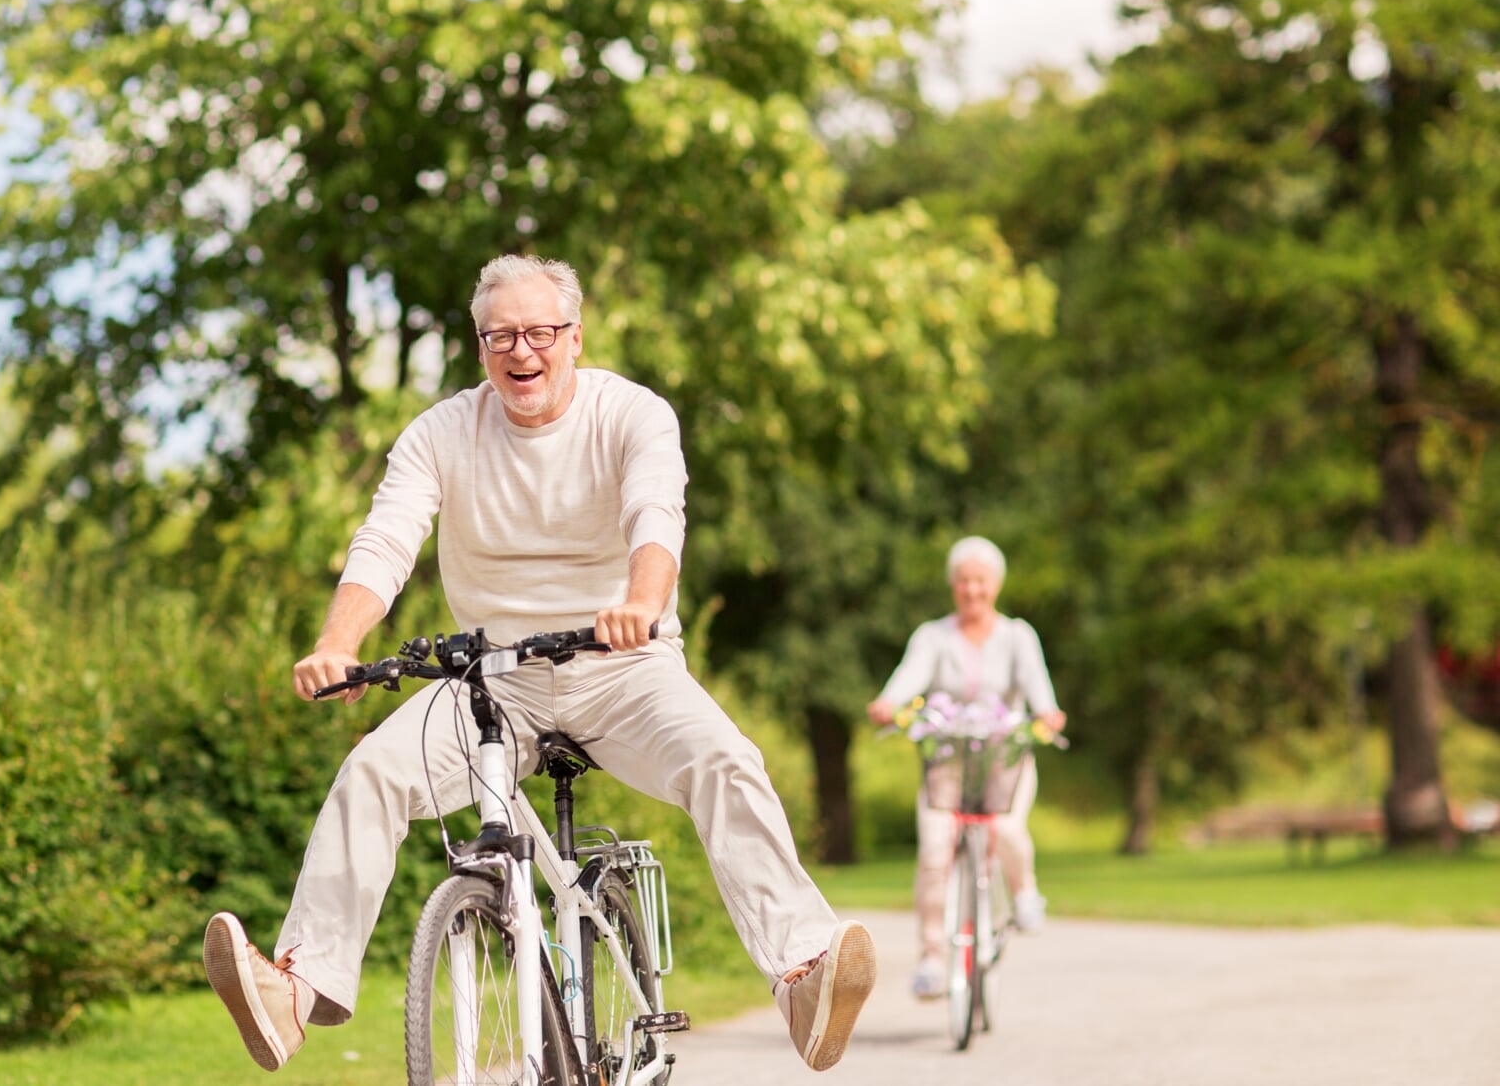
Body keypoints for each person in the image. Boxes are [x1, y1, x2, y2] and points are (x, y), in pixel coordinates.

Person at [201, 254, 877, 1073]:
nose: (522, 352)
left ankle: (803, 976)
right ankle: (294, 993)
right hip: (493, 680)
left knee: (725, 760)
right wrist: (336, 644)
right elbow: (386, 539)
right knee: (371, 773)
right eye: (501, 337)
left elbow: (656, 515)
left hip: (624, 667)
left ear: (574, 337)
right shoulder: (442, 431)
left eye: (540, 332)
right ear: (481, 346)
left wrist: (641, 601)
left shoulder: (631, 414)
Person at [865, 536, 1066, 1001]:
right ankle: (932, 959)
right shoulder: (933, 636)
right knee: (935, 851)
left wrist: (1048, 714)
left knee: (1007, 829)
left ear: (995, 585)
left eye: (980, 581)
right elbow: (908, 677)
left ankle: (1024, 893)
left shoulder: (1018, 635)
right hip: (948, 761)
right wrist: (888, 703)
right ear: (953, 586)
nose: (972, 590)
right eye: (963, 582)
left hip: (1005, 759)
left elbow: (1040, 691)